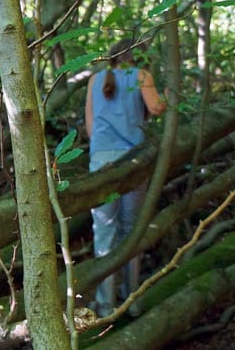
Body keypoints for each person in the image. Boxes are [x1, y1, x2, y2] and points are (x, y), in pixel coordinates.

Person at [84, 38, 166, 317]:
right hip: (132, 162)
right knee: (131, 229)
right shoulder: (142, 76)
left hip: (101, 162)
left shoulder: (95, 80)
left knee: (105, 233)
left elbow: (91, 127)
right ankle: (131, 300)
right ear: (141, 57)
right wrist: (167, 95)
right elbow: (156, 108)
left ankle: (105, 306)